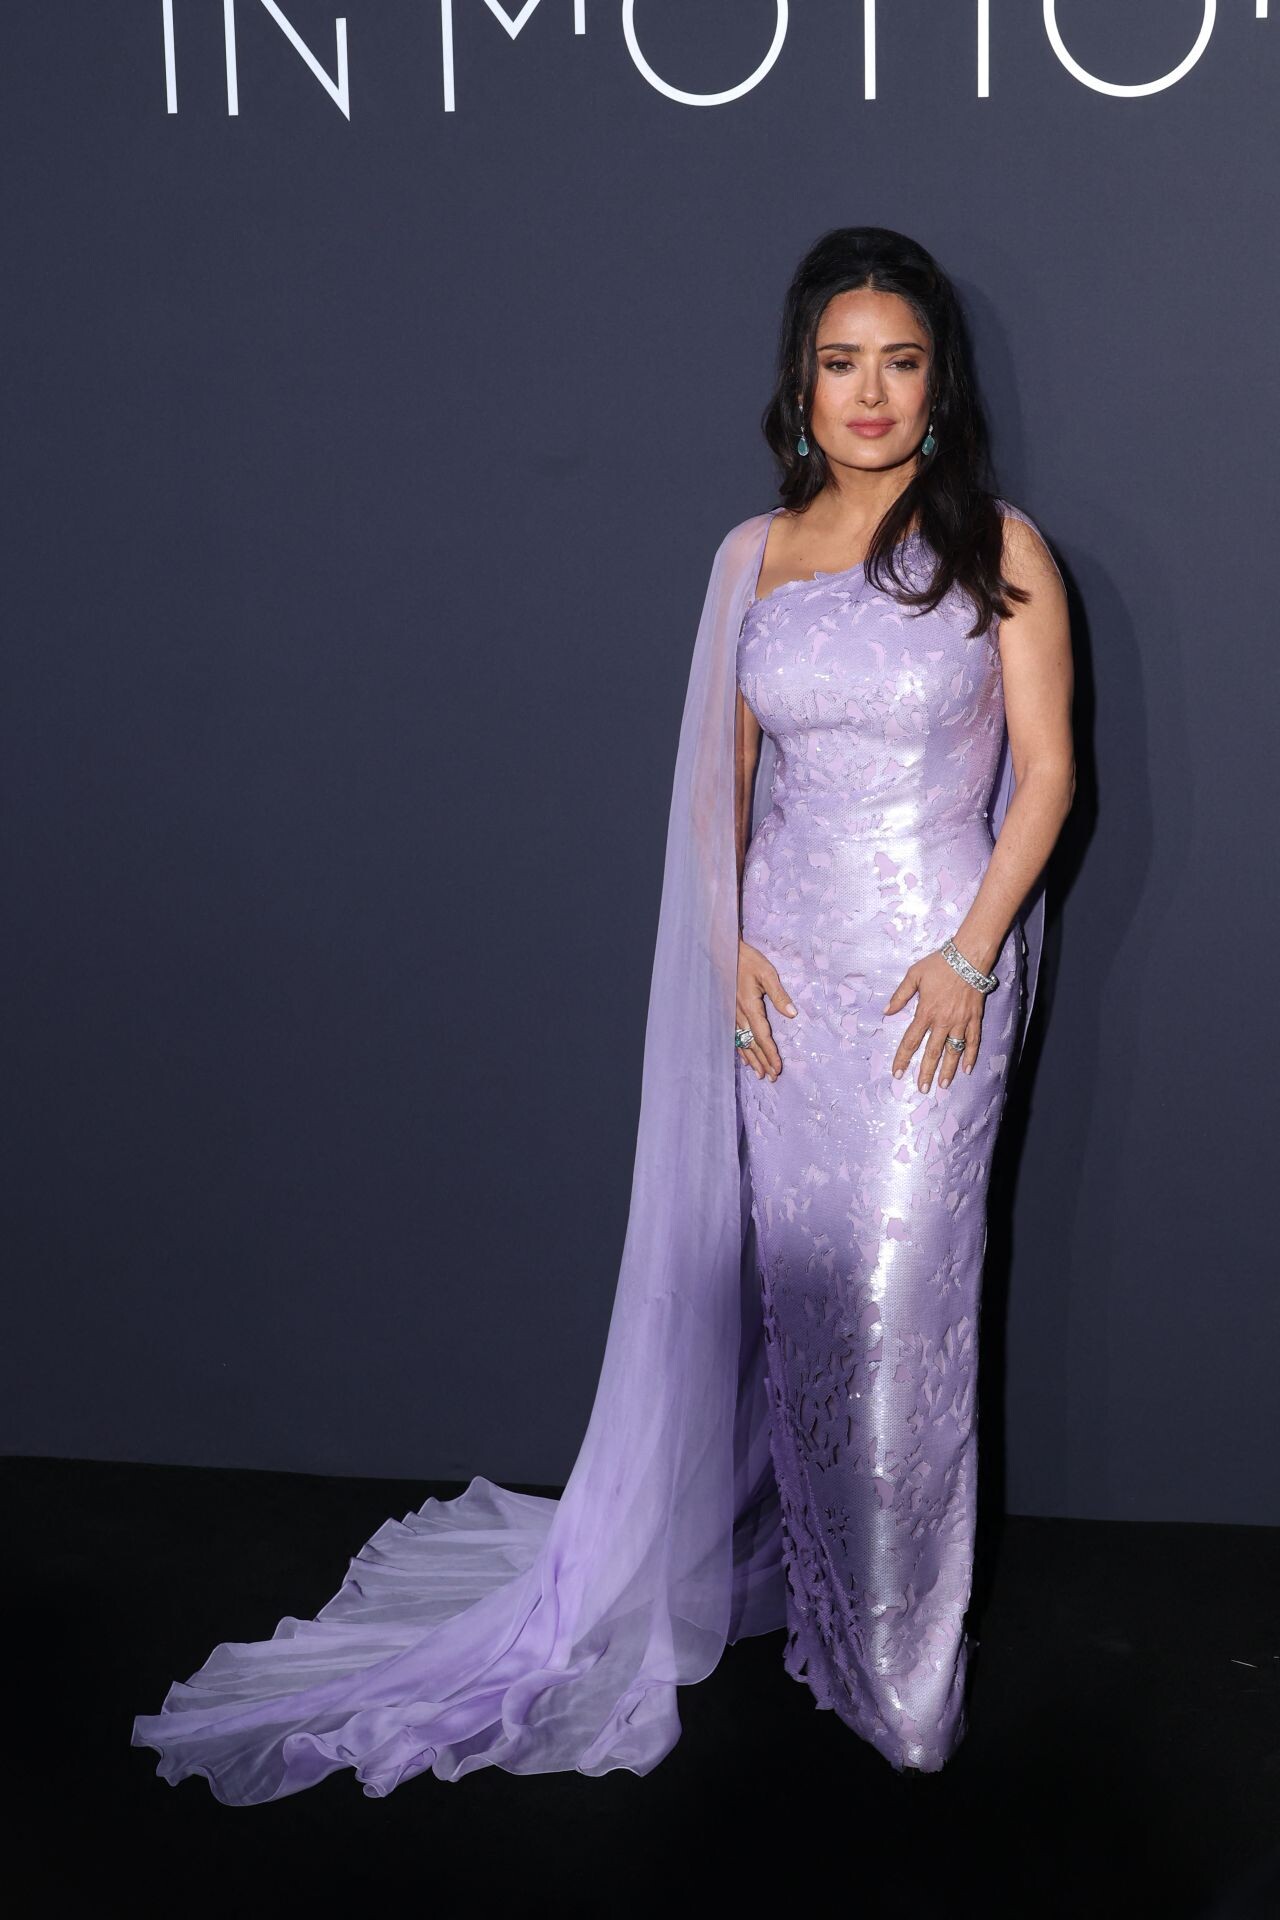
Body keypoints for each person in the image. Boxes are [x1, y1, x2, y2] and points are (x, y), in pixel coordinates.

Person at [130, 227, 1073, 1802]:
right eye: (840, 362)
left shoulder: (998, 545)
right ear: (799, 381)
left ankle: (904, 1665)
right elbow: (723, 787)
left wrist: (970, 956)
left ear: (939, 383)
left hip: (933, 979)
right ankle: (832, 1622)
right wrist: (728, 951)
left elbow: (1045, 773)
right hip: (789, 983)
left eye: (900, 363)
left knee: (909, 1307)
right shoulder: (753, 555)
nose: (870, 393)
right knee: (811, 1316)